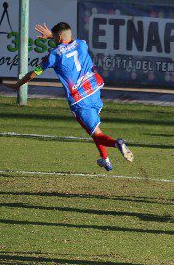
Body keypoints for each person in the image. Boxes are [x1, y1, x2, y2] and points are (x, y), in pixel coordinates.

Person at [10, 22, 133, 170]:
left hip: (79, 99)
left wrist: (18, 84)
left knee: (96, 133)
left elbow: (33, 73)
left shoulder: (54, 55)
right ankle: (105, 160)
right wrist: (52, 35)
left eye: (54, 37)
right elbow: (70, 40)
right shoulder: (81, 44)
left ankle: (116, 143)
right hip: (94, 89)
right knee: (95, 130)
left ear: (58, 36)